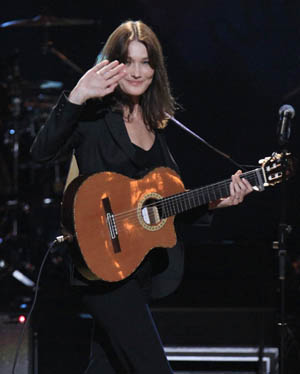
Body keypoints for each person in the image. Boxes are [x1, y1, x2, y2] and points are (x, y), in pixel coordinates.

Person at [31, 20, 252, 374]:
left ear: (156, 69)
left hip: (140, 268)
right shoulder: (94, 116)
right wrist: (76, 96)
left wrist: (214, 201)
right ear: (112, 64)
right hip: (101, 268)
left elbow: (164, 207)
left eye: (145, 62)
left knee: (106, 366)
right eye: (129, 61)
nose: (137, 71)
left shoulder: (157, 123)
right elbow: (40, 153)